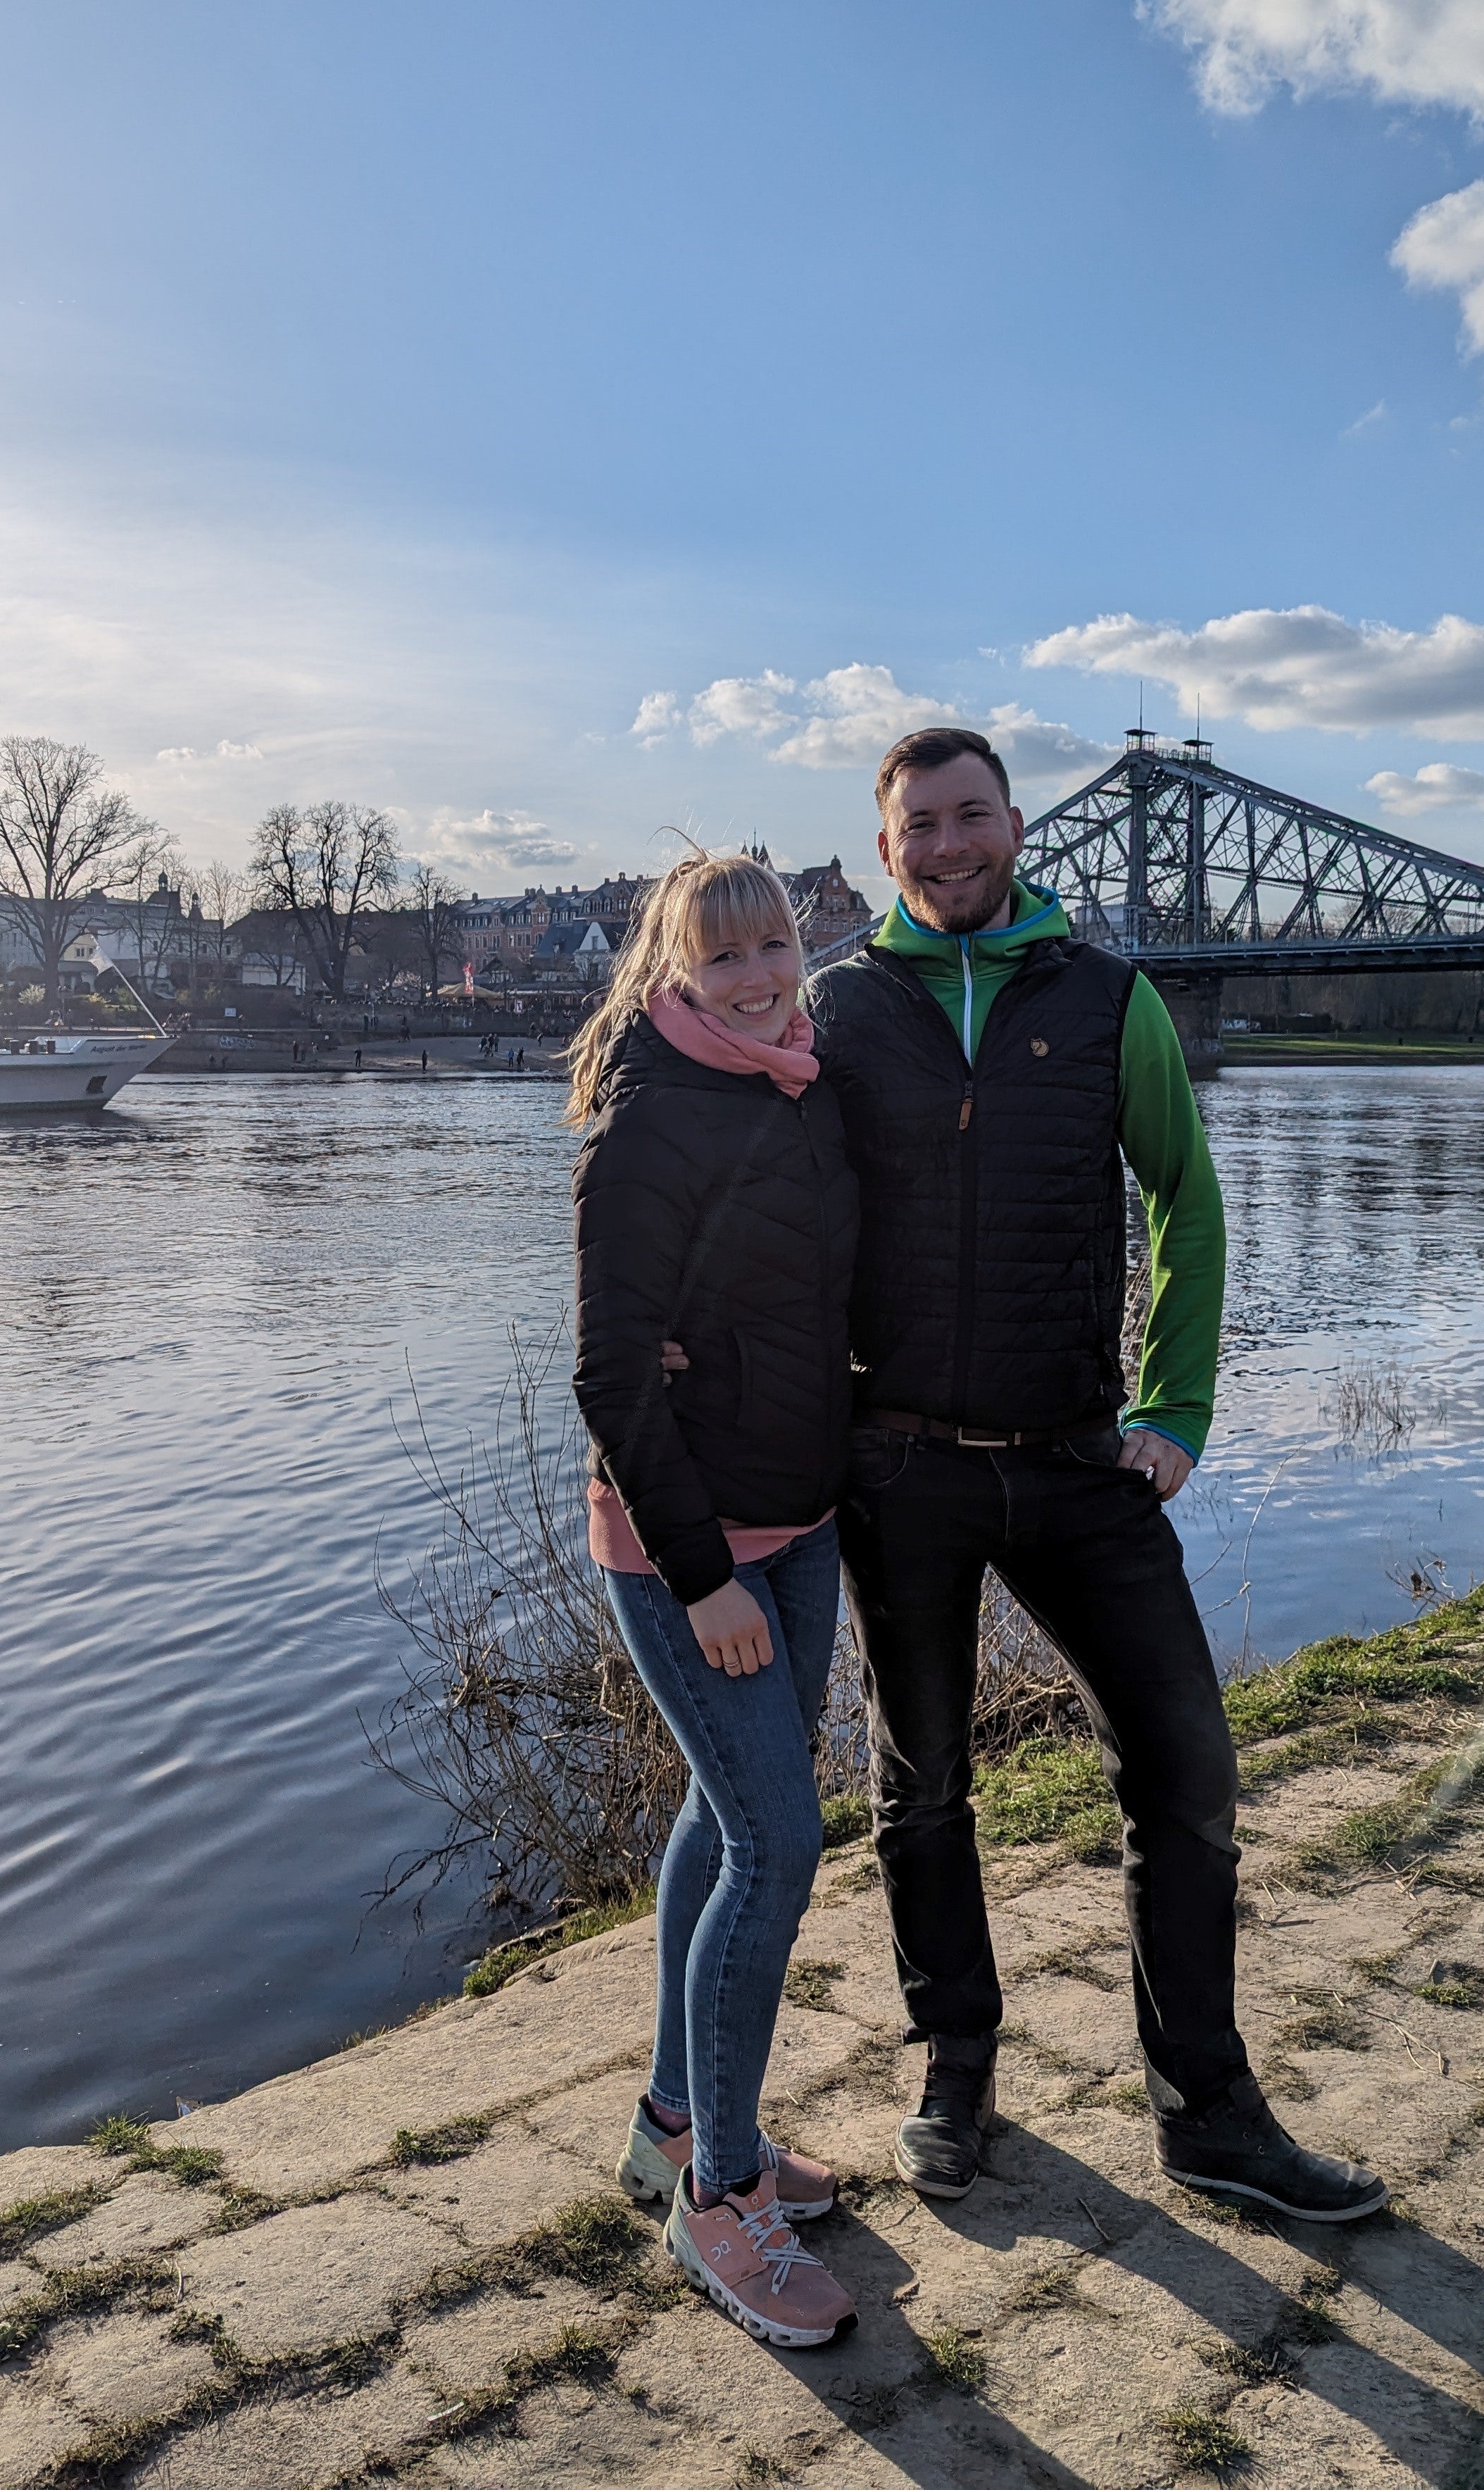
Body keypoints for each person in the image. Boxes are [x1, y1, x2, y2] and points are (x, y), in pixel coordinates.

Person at [807, 727, 1385, 2224]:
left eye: (972, 816)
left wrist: (1174, 1407)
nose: (948, 845)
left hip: (1077, 1456)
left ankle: (1209, 2108)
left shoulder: (1109, 997)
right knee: (922, 1789)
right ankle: (956, 2070)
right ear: (886, 850)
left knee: (1186, 1772)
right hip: (901, 1467)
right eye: (918, 825)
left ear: (1014, 826)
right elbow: (773, 1227)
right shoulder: (837, 1011)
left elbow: (1186, 1194)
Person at [570, 853, 861, 2347]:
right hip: (694, 1550)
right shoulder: (648, 1129)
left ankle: (672, 2127)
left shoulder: (801, 1092)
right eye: (724, 953)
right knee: (777, 1842)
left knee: (722, 1815)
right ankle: (723, 2202)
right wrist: (700, 1576)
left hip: (801, 1527)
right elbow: (612, 1376)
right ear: (674, 970)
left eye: (774, 945)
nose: (755, 972)